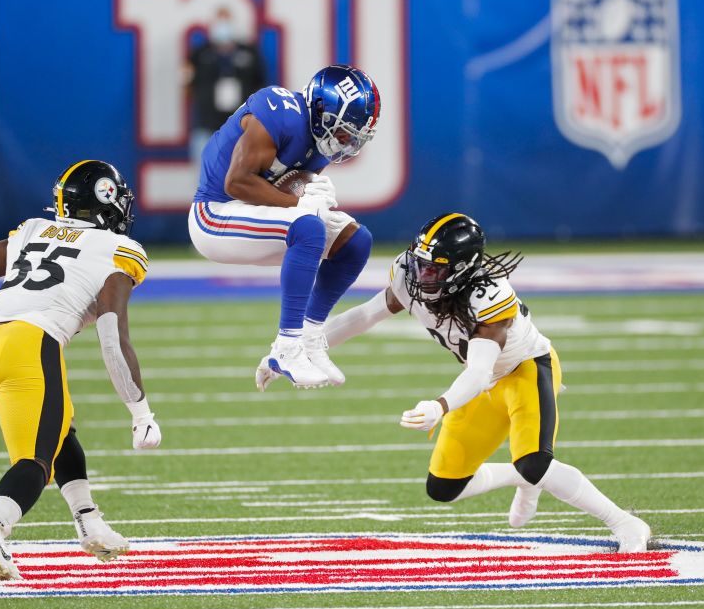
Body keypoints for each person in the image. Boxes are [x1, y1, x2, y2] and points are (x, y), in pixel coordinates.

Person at [265, 213, 652, 552]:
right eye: (420, 264)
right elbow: (365, 315)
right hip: (481, 382)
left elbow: (481, 371)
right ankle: (522, 477)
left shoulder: (489, 297)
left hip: (524, 370)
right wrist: (287, 351)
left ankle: (625, 522)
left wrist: (440, 405)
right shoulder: (409, 273)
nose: (422, 275)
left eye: (435, 269)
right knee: (444, 487)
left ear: (463, 270)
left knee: (536, 461)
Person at [0, 160, 162, 581]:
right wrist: (141, 412)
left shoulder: (34, 229)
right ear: (107, 200)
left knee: (60, 426)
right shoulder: (119, 251)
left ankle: (89, 521)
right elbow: (111, 335)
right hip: (29, 349)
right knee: (36, 462)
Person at [190, 64, 380, 389]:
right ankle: (286, 345)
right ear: (321, 109)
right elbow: (236, 182)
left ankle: (309, 336)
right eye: (344, 130)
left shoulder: (321, 142)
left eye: (354, 135)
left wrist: (306, 191)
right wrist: (301, 202)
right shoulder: (280, 112)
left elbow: (285, 187)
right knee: (308, 227)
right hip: (214, 213)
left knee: (355, 242)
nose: (346, 142)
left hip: (252, 211)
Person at [184, 7, 267, 165]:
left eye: (226, 22)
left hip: (241, 127)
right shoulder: (199, 54)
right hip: (206, 126)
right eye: (219, 22)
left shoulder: (249, 53)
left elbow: (260, 87)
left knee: (242, 175)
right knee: (205, 177)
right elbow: (187, 86)